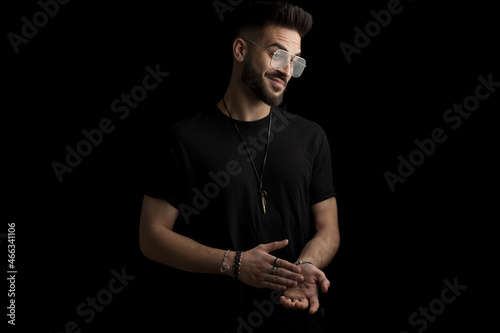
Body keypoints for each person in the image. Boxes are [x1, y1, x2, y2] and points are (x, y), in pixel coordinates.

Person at [139, 2, 340, 332]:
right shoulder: (183, 138)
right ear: (240, 49)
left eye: (295, 61)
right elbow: (151, 236)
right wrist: (234, 264)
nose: (287, 70)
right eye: (277, 55)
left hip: (296, 322)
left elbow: (328, 228)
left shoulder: (311, 137)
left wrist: (303, 266)